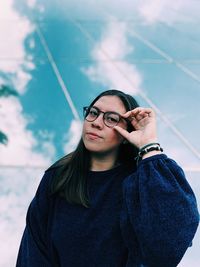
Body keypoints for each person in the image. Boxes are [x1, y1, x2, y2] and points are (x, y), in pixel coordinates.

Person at [16, 89, 199, 267]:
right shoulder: (57, 177)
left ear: (127, 134)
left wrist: (148, 143)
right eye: (93, 113)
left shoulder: (141, 183)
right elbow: (33, 250)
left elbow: (168, 246)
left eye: (111, 119)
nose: (96, 122)